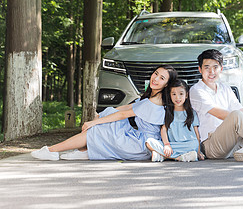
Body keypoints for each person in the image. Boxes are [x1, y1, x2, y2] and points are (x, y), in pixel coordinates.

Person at [31, 65, 177, 161]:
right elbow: (125, 108)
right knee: (107, 112)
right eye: (156, 73)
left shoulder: (155, 101)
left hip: (140, 145)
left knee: (99, 127)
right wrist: (101, 114)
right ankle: (82, 151)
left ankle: (51, 150)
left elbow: (122, 115)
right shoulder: (152, 97)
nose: (155, 78)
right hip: (138, 139)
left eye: (161, 78)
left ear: (167, 85)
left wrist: (93, 122)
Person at [146, 79, 204, 162]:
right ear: (170, 95)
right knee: (149, 142)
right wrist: (166, 145)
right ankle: (179, 157)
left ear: (186, 95)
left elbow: (196, 134)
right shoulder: (166, 111)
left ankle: (164, 156)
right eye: (174, 94)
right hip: (172, 145)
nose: (177, 97)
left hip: (188, 145)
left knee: (193, 144)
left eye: (181, 94)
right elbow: (163, 130)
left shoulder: (191, 112)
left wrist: (198, 152)